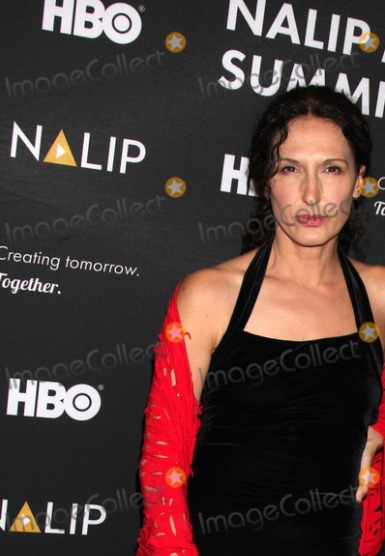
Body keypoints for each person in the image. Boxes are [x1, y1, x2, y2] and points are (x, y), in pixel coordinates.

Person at [136, 86, 385, 556]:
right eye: (290, 168)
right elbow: (162, 462)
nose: (312, 194)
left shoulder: (379, 295)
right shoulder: (210, 294)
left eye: (331, 169)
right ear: (266, 180)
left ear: (359, 181)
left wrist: (379, 433)